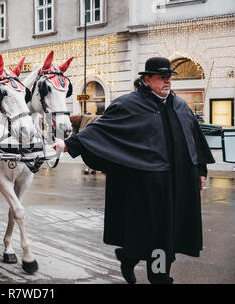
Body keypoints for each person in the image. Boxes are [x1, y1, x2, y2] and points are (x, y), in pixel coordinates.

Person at [52, 57, 215, 284]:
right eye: (161, 77)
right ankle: (160, 277)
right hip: (147, 184)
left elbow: (194, 140)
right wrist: (69, 144)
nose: (167, 81)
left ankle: (128, 256)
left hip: (179, 182)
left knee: (168, 233)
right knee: (158, 235)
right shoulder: (129, 104)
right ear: (147, 79)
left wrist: (200, 170)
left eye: (169, 77)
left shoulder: (179, 106)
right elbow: (101, 129)